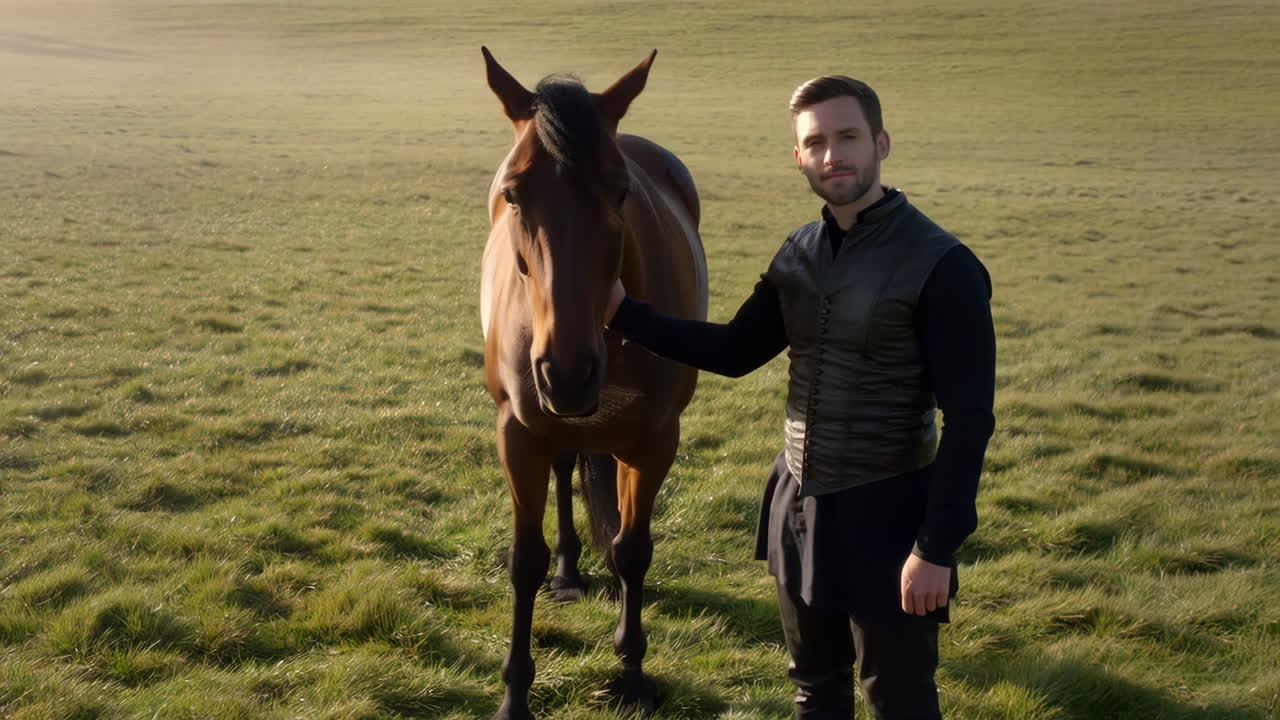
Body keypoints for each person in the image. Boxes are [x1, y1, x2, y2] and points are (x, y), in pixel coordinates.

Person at [603, 75, 996, 719]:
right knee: (814, 687)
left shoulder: (943, 264)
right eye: (816, 143)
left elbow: (971, 420)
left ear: (881, 144)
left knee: (898, 699)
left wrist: (935, 548)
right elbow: (736, 350)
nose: (832, 155)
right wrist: (627, 315)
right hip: (798, 504)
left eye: (848, 137)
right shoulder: (799, 253)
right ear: (799, 157)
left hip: (890, 511)